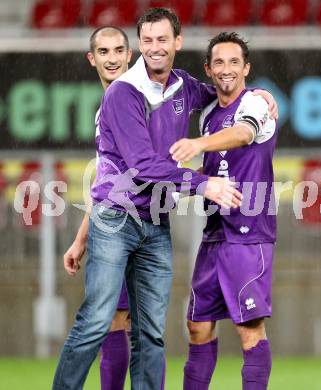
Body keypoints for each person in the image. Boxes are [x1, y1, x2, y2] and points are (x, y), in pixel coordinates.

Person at [52, 9, 243, 390]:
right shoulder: (124, 92)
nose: (154, 48)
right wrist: (203, 184)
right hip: (116, 221)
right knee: (96, 322)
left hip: (156, 224)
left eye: (162, 40)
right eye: (148, 40)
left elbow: (225, 97)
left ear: (177, 42)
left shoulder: (184, 86)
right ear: (140, 45)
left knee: (151, 334)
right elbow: (141, 165)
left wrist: (255, 95)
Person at [170, 32, 277, 390]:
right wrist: (180, 182)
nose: (226, 69)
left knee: (249, 330)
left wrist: (196, 144)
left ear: (246, 68)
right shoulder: (210, 115)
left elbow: (244, 135)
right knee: (197, 327)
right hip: (214, 234)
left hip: (249, 235)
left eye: (234, 62)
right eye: (219, 62)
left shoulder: (257, 105)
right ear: (208, 69)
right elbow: (214, 171)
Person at [62, 26, 133, 390]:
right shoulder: (105, 108)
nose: (112, 58)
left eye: (118, 50)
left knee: (128, 324)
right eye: (103, 51)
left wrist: (258, 95)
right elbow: (105, 183)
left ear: (129, 55)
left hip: (139, 223)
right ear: (92, 59)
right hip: (114, 222)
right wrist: (81, 239)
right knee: (118, 321)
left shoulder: (141, 96)